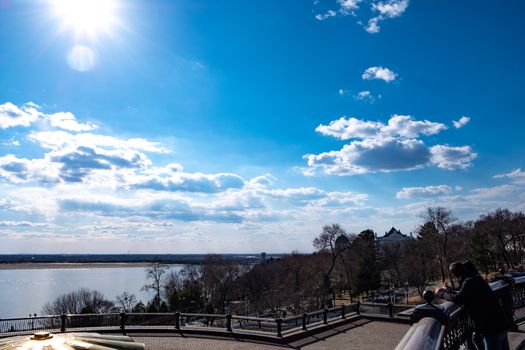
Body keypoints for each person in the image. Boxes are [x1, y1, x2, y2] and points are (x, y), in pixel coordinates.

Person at [435, 261, 509, 350]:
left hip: (492, 328)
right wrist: (450, 290)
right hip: (499, 323)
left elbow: (459, 298)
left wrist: (441, 293)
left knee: (478, 340)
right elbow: (465, 293)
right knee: (477, 339)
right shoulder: (476, 279)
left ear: (454, 274)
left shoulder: (469, 281)